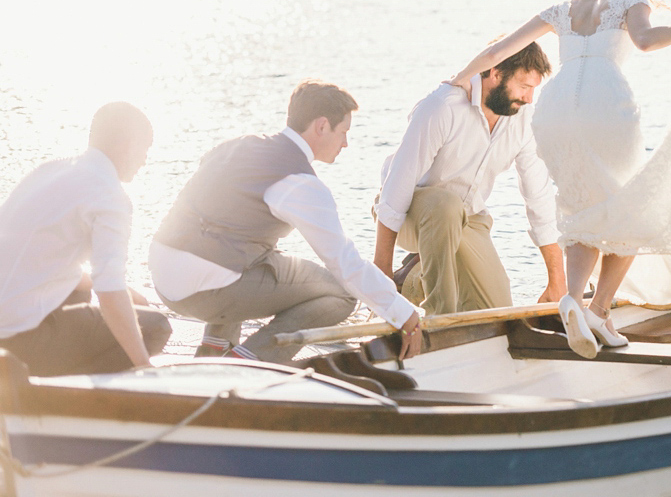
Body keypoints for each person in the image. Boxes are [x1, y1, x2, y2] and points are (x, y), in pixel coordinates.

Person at [449, 0, 671, 358]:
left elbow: (496, 54)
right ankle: (597, 308)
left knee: (583, 209)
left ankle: (574, 302)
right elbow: (646, 42)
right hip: (604, 105)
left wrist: (456, 82)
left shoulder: (562, 10)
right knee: (629, 208)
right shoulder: (632, 2)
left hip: (555, 111)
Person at [150, 80, 420, 364]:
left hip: (164, 274)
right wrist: (404, 314)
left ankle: (214, 347)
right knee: (342, 293)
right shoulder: (298, 181)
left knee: (252, 252)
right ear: (321, 126)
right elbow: (345, 263)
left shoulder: (237, 145)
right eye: (343, 132)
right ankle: (251, 362)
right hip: (204, 291)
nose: (345, 143)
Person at [374, 43, 565, 316]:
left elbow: (540, 198)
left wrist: (557, 281)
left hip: (466, 217)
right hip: (411, 216)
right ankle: (441, 317)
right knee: (445, 206)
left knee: (494, 313)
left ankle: (414, 275)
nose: (529, 99)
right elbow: (397, 186)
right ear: (496, 74)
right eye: (524, 87)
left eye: (534, 89)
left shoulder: (524, 120)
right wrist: (381, 270)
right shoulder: (442, 106)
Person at [0, 102, 171, 377]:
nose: (145, 160)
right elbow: (109, 293)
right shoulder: (109, 196)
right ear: (127, 146)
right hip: (17, 341)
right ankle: (60, 397)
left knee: (80, 292)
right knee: (154, 327)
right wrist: (144, 366)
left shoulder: (50, 171)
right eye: (145, 149)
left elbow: (38, 259)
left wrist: (127, 292)